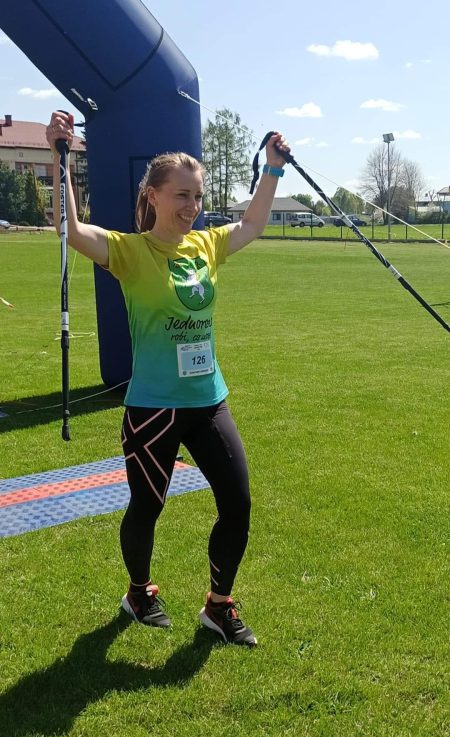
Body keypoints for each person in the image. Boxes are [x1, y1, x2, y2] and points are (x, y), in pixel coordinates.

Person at [46, 112, 290, 647]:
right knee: (147, 507)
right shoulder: (130, 251)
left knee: (238, 504)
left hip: (208, 401)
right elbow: (71, 231)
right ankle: (138, 593)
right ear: (152, 196)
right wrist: (59, 158)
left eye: (197, 196)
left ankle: (219, 605)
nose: (191, 206)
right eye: (181, 195)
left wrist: (272, 169)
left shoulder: (205, 245)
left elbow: (251, 225)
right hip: (153, 407)